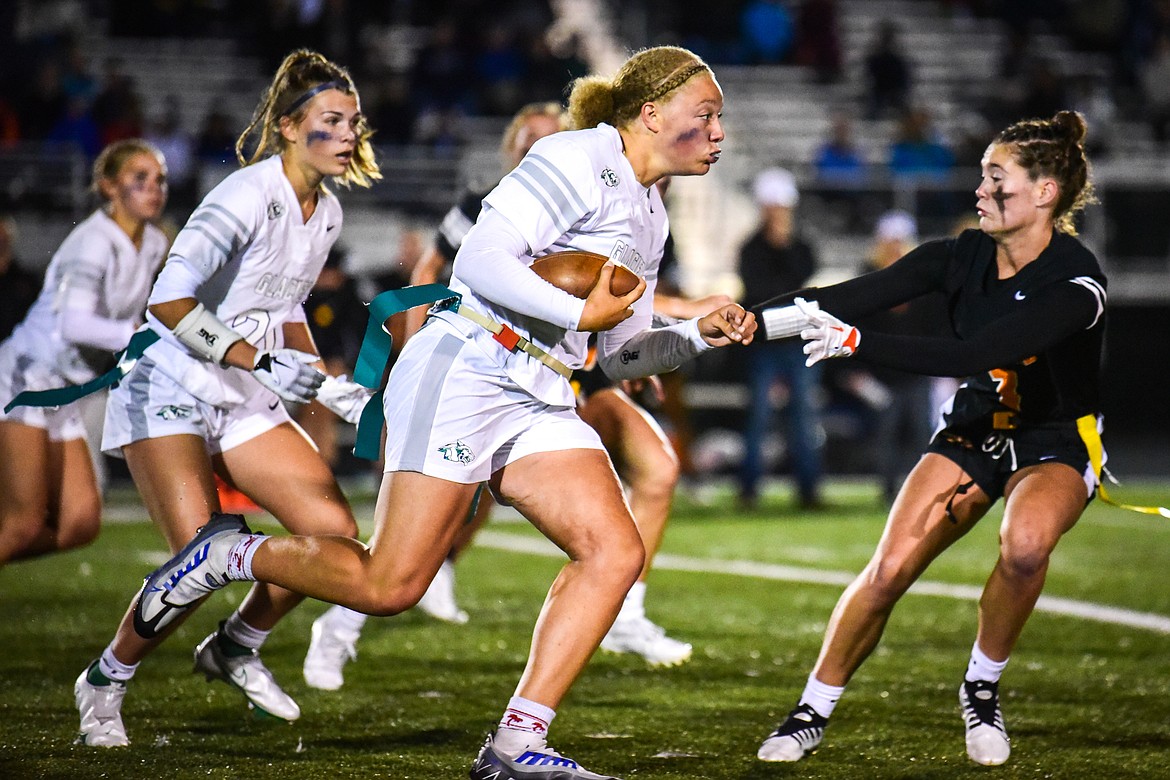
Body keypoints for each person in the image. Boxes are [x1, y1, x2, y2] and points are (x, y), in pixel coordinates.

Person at [136, 45, 755, 779]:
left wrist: (691, 335)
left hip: (543, 389)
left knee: (615, 552)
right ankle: (227, 555)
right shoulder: (577, 156)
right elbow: (482, 262)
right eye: (706, 115)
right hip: (467, 368)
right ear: (651, 113)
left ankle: (515, 746)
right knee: (389, 586)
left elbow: (616, 355)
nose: (720, 133)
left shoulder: (651, 213)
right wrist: (575, 306)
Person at [753, 111, 1105, 767]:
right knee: (888, 570)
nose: (978, 191)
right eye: (980, 176)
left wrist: (859, 343)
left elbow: (977, 348)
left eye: (994, 178)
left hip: (1053, 435)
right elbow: (849, 295)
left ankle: (981, 687)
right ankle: (811, 710)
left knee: (1025, 546)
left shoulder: (1078, 283)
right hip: (977, 421)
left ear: (1044, 193)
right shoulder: (960, 254)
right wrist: (749, 322)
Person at [73, 50, 380, 748]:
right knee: (203, 555)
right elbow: (168, 300)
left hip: (243, 389)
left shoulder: (326, 210)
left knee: (329, 537)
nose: (349, 134)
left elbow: (288, 304)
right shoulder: (246, 193)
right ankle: (105, 679)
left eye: (354, 122)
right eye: (333, 120)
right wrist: (263, 360)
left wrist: (329, 386)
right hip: (169, 381)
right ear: (289, 126)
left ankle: (236, 646)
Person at [0, 140, 168, 567]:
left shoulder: (152, 242)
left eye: (160, 179)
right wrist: (139, 337)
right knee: (21, 523)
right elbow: (73, 324)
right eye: (140, 179)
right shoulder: (93, 241)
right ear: (108, 187)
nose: (154, 188)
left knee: (80, 523)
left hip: (64, 388)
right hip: (27, 376)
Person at [737, 167, 824, 509]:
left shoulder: (800, 247)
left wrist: (784, 247)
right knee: (758, 418)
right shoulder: (751, 249)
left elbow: (803, 287)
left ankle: (808, 489)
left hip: (799, 342)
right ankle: (749, 488)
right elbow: (763, 292)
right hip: (766, 345)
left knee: (804, 419)